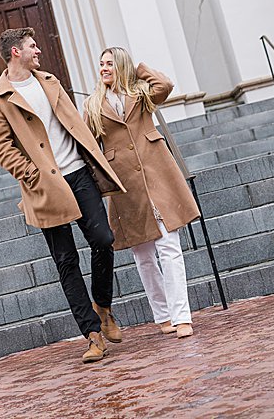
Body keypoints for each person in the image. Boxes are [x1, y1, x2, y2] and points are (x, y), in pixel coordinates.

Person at [0, 27, 127, 363]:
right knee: (66, 261)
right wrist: (32, 174)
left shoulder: (49, 81)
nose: (38, 51)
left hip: (77, 173)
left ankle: (103, 305)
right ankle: (93, 334)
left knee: (103, 239)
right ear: (15, 52)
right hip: (45, 186)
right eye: (32, 46)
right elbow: (0, 148)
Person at [82, 47, 200, 338]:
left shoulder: (141, 94)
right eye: (101, 64)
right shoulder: (92, 105)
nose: (104, 69)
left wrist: (136, 69)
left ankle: (181, 315)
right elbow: (86, 145)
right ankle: (162, 315)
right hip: (125, 187)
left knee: (169, 245)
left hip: (156, 175)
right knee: (143, 253)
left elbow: (166, 85)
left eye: (110, 63)